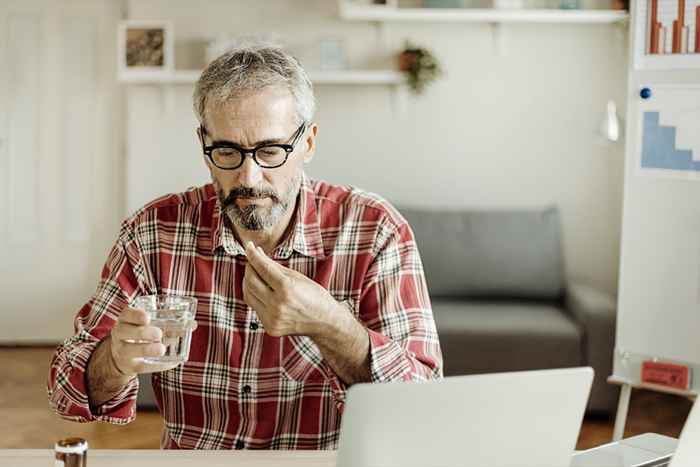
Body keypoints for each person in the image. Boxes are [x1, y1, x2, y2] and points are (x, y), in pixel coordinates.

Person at [48, 44, 443, 449]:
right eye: (227, 152)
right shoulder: (152, 233)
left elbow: (424, 404)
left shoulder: (375, 230)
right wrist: (114, 358)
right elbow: (66, 389)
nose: (249, 178)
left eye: (271, 151)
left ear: (308, 143)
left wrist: (331, 324)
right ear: (204, 144)